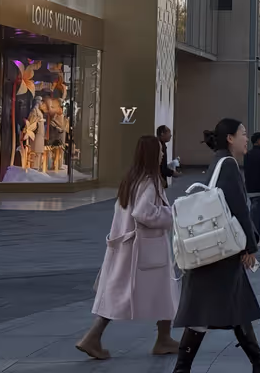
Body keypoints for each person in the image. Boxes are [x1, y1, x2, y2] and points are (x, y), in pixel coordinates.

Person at [173, 119, 260, 373]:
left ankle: (259, 364)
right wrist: (249, 246)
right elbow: (239, 209)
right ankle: (182, 369)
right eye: (243, 134)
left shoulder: (219, 162)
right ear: (230, 138)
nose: (246, 138)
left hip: (214, 250)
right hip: (221, 253)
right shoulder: (228, 165)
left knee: (234, 305)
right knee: (210, 310)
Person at [77, 136, 178, 360]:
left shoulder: (132, 179)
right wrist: (172, 214)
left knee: (120, 292)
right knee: (162, 290)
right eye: (160, 151)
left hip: (126, 246)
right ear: (152, 154)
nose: (163, 154)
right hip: (144, 249)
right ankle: (162, 339)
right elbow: (144, 213)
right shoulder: (150, 181)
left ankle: (163, 338)